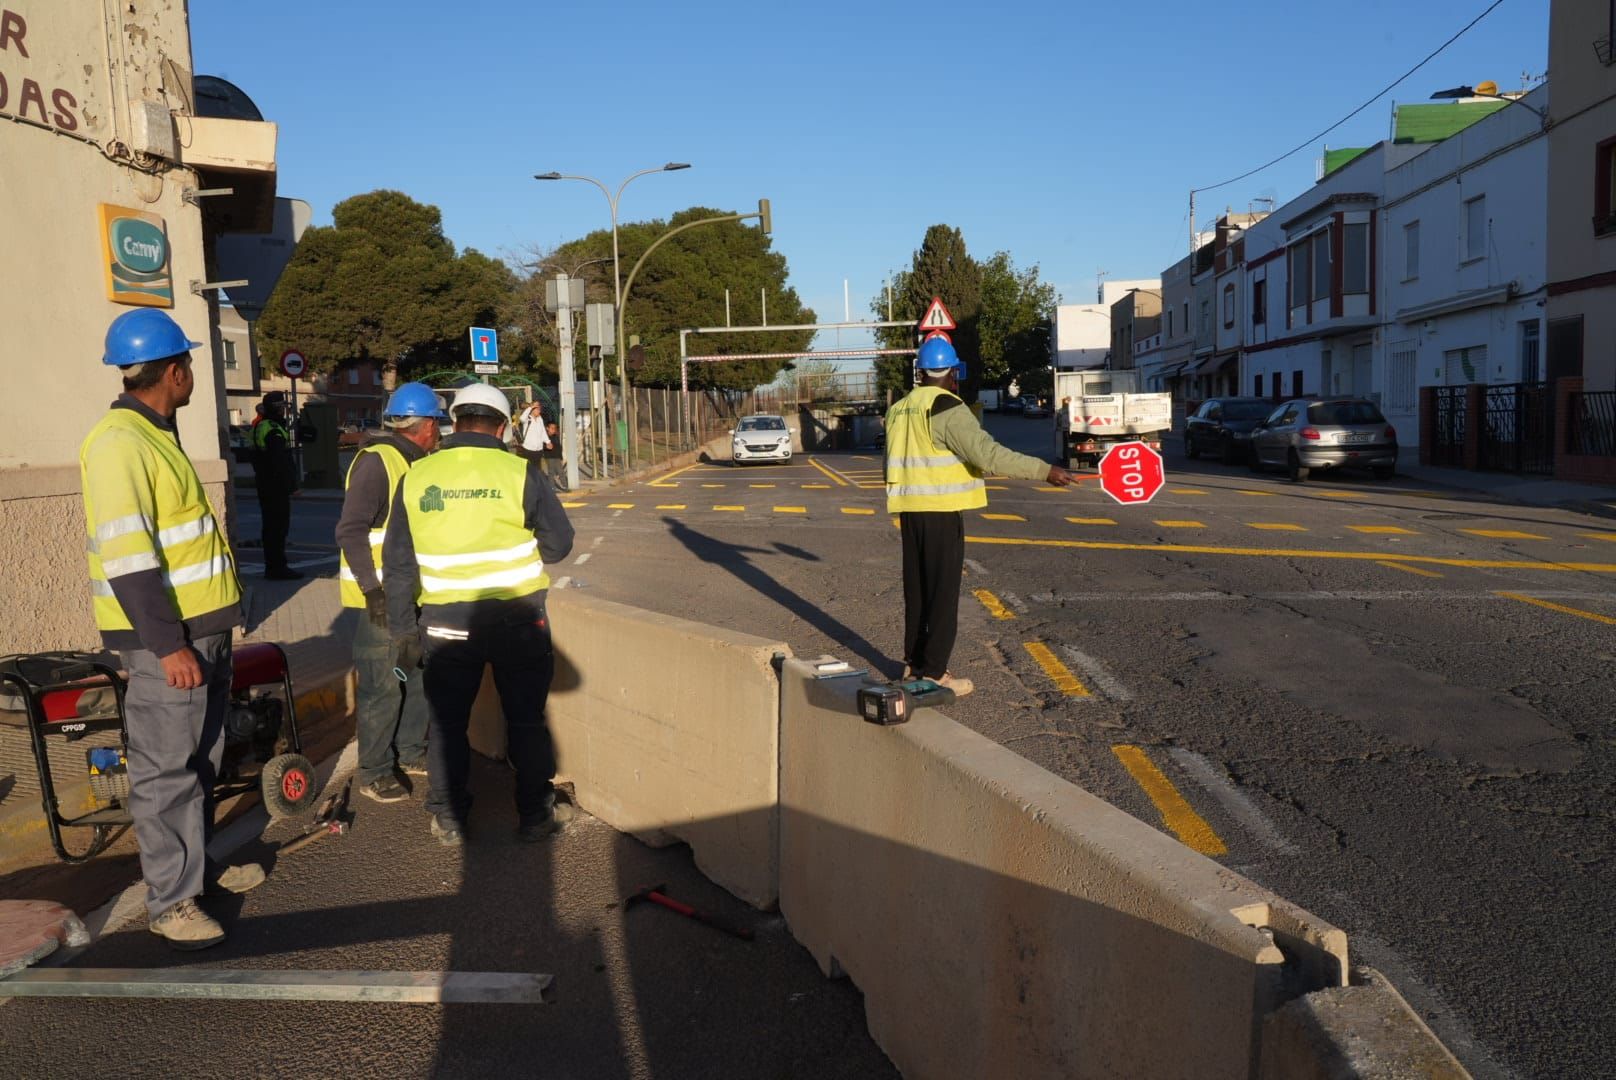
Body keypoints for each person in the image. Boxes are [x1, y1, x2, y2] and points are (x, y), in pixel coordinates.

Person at [79, 309, 266, 950]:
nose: (192, 376)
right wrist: (169, 645)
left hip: (201, 632)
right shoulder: (119, 443)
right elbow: (130, 561)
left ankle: (196, 871)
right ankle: (172, 902)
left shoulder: (157, 433)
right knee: (166, 774)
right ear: (175, 371)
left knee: (200, 764)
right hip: (171, 642)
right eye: (189, 365)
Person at [383, 383, 576, 845]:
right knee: (527, 719)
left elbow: (398, 563)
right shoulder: (519, 472)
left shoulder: (419, 475)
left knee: (449, 724)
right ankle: (534, 815)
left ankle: (449, 818)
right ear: (505, 426)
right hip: (519, 621)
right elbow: (559, 545)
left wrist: (403, 630)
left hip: (447, 623)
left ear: (453, 422)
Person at [885, 336, 1078, 697]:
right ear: (953, 372)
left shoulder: (900, 409)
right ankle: (936, 674)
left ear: (921, 371)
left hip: (910, 512)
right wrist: (1043, 471)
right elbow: (988, 454)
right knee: (942, 595)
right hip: (940, 511)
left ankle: (914, 666)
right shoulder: (946, 408)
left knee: (919, 591)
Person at [335, 382, 443, 804]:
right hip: (379, 598)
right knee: (383, 684)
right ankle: (375, 770)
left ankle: (411, 750)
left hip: (410, 594)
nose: (439, 432)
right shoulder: (378, 463)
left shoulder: (414, 461)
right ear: (427, 424)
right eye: (437, 423)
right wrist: (372, 590)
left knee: (415, 673)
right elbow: (350, 530)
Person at [251, 390, 300, 580]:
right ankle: (277, 568)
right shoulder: (272, 428)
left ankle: (273, 566)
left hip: (264, 483)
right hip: (275, 486)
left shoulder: (260, 425)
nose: (284, 411)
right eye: (282, 407)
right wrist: (292, 486)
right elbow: (280, 461)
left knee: (270, 527)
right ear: (278, 408)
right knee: (278, 528)